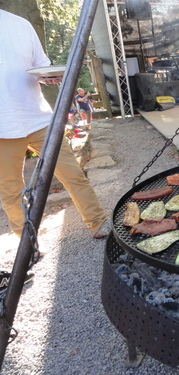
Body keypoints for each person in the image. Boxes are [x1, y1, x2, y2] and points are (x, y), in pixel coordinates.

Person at [0, 9, 111, 281]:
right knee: (11, 190)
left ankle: (97, 223)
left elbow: (40, 65)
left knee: (73, 175)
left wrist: (50, 76)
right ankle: (28, 244)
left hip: (37, 117)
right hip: (2, 126)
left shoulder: (20, 24)